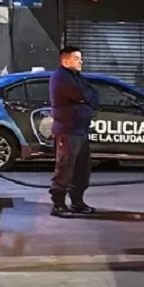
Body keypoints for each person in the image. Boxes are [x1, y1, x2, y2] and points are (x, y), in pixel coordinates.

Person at [49, 46, 99, 218]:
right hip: (68, 130)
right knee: (65, 168)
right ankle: (58, 205)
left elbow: (92, 95)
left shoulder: (77, 77)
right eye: (77, 58)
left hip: (80, 130)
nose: (81, 61)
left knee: (81, 169)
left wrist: (87, 98)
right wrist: (85, 98)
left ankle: (77, 202)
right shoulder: (61, 78)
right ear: (65, 61)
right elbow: (81, 94)